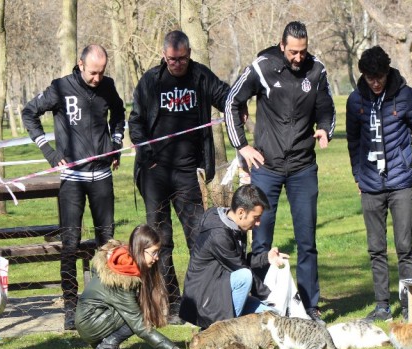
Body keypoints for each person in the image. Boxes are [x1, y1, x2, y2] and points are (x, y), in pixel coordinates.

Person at [225, 21, 336, 325]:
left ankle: (310, 305)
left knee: (307, 241)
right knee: (260, 241)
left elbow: (327, 107)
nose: (298, 57)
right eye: (293, 51)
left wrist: (325, 128)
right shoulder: (263, 66)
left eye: (303, 51)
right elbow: (231, 102)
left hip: (302, 168)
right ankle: (260, 304)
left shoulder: (317, 70)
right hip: (267, 168)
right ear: (282, 45)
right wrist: (242, 146)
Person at [128, 30, 231, 325]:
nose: (177, 65)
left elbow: (224, 95)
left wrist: (236, 108)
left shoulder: (200, 77)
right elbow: (135, 122)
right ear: (164, 56)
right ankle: (170, 302)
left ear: (189, 54)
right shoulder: (151, 81)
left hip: (188, 173)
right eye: (172, 60)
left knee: (197, 236)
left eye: (182, 59)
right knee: (161, 241)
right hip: (155, 174)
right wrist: (146, 156)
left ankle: (198, 299)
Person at [22, 44, 125, 331]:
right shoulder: (59, 88)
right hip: (72, 180)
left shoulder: (108, 86)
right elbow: (29, 113)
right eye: (93, 72)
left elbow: (119, 114)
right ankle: (70, 305)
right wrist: (50, 153)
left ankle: (107, 300)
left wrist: (115, 145)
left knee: (107, 243)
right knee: (70, 245)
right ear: (80, 64)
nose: (97, 78)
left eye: (102, 72)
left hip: (102, 176)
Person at [346, 45, 412, 322]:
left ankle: (409, 305)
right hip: (370, 186)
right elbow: (353, 141)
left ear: (386, 72)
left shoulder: (405, 96)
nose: (375, 83)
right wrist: (358, 176)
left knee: (404, 247)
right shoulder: (355, 100)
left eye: (379, 77)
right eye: (370, 78)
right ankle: (382, 306)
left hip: (400, 183)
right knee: (376, 249)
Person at [75, 224, 196, 349]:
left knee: (140, 308)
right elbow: (139, 325)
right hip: (90, 323)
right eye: (154, 252)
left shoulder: (120, 258)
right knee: (139, 314)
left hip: (90, 317)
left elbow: (95, 269)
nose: (156, 258)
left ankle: (105, 345)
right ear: (140, 249)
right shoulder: (122, 279)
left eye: (158, 252)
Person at [179, 185, 288, 330]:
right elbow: (241, 268)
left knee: (274, 315)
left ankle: (233, 323)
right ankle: (223, 332)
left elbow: (238, 260)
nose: (258, 223)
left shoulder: (234, 225)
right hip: (204, 301)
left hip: (221, 290)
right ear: (241, 212)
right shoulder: (218, 235)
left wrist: (266, 258)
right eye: (256, 218)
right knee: (245, 276)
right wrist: (269, 296)